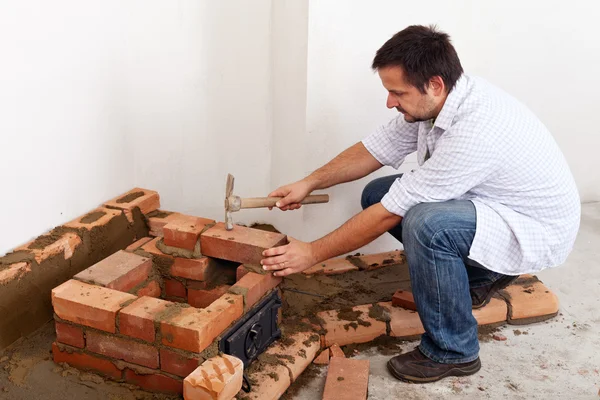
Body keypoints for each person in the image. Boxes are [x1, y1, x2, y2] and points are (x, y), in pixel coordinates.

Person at [260, 25, 580, 383]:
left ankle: (453, 351)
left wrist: (312, 253)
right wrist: (308, 182)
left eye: (397, 92)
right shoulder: (437, 103)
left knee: (426, 225)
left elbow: (390, 214)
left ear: (435, 84)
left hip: (533, 227)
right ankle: (478, 278)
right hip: (493, 204)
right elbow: (373, 150)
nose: (389, 102)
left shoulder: (475, 128)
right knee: (377, 192)